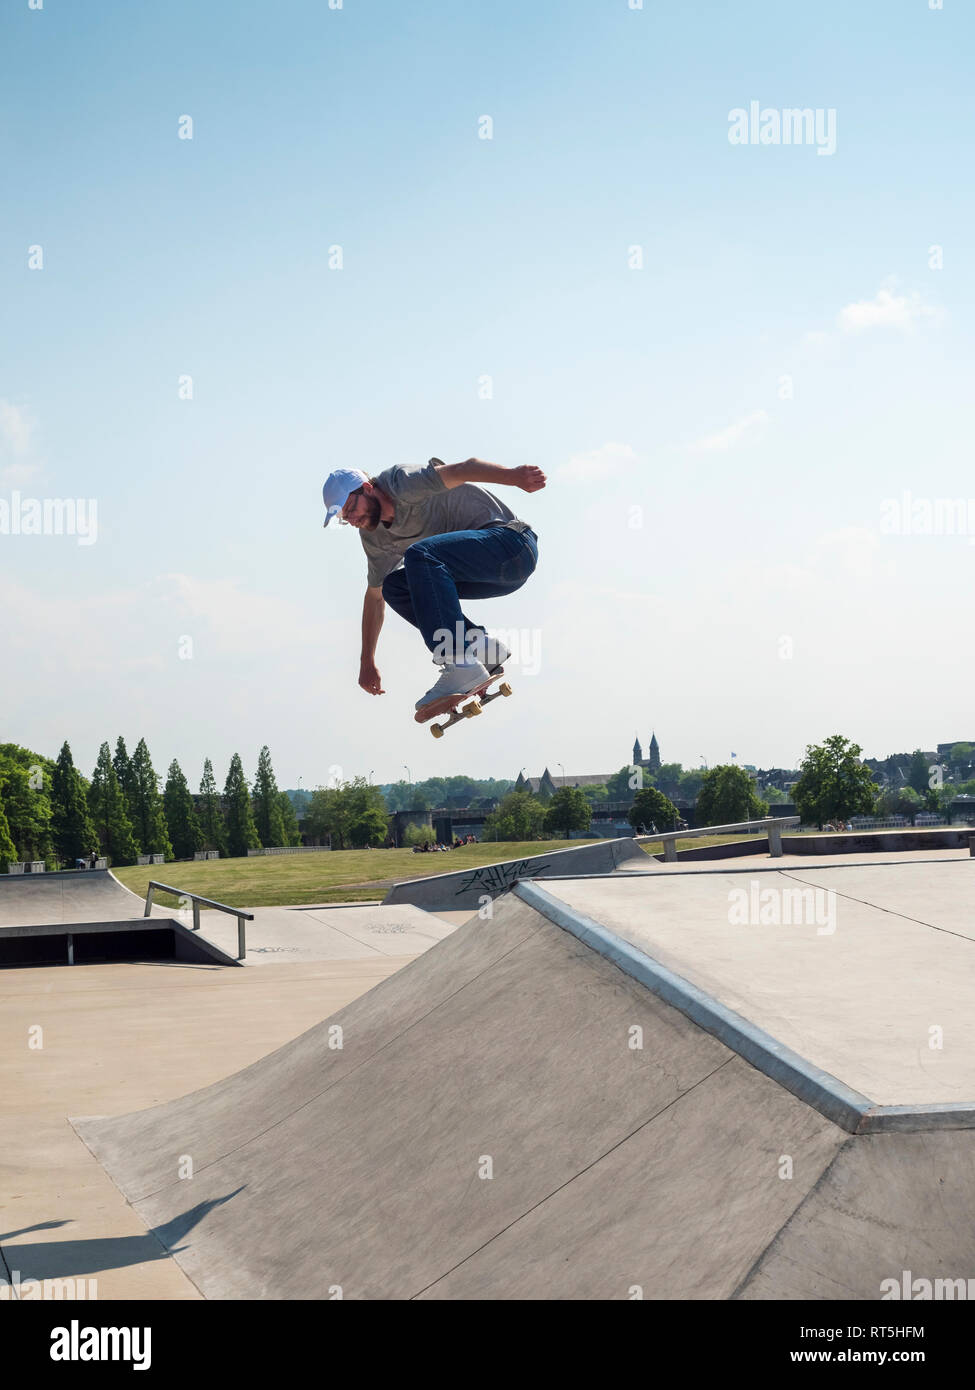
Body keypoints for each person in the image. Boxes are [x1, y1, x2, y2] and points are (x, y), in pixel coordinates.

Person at [322, 456, 544, 712]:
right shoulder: (375, 539)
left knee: (420, 556)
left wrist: (513, 476)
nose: (351, 519)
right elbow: (375, 597)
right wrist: (366, 660)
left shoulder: (401, 483)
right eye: (343, 517)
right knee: (396, 585)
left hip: (512, 545)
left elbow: (463, 469)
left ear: (367, 488)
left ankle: (459, 662)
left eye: (350, 509)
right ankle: (480, 647)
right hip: (488, 574)